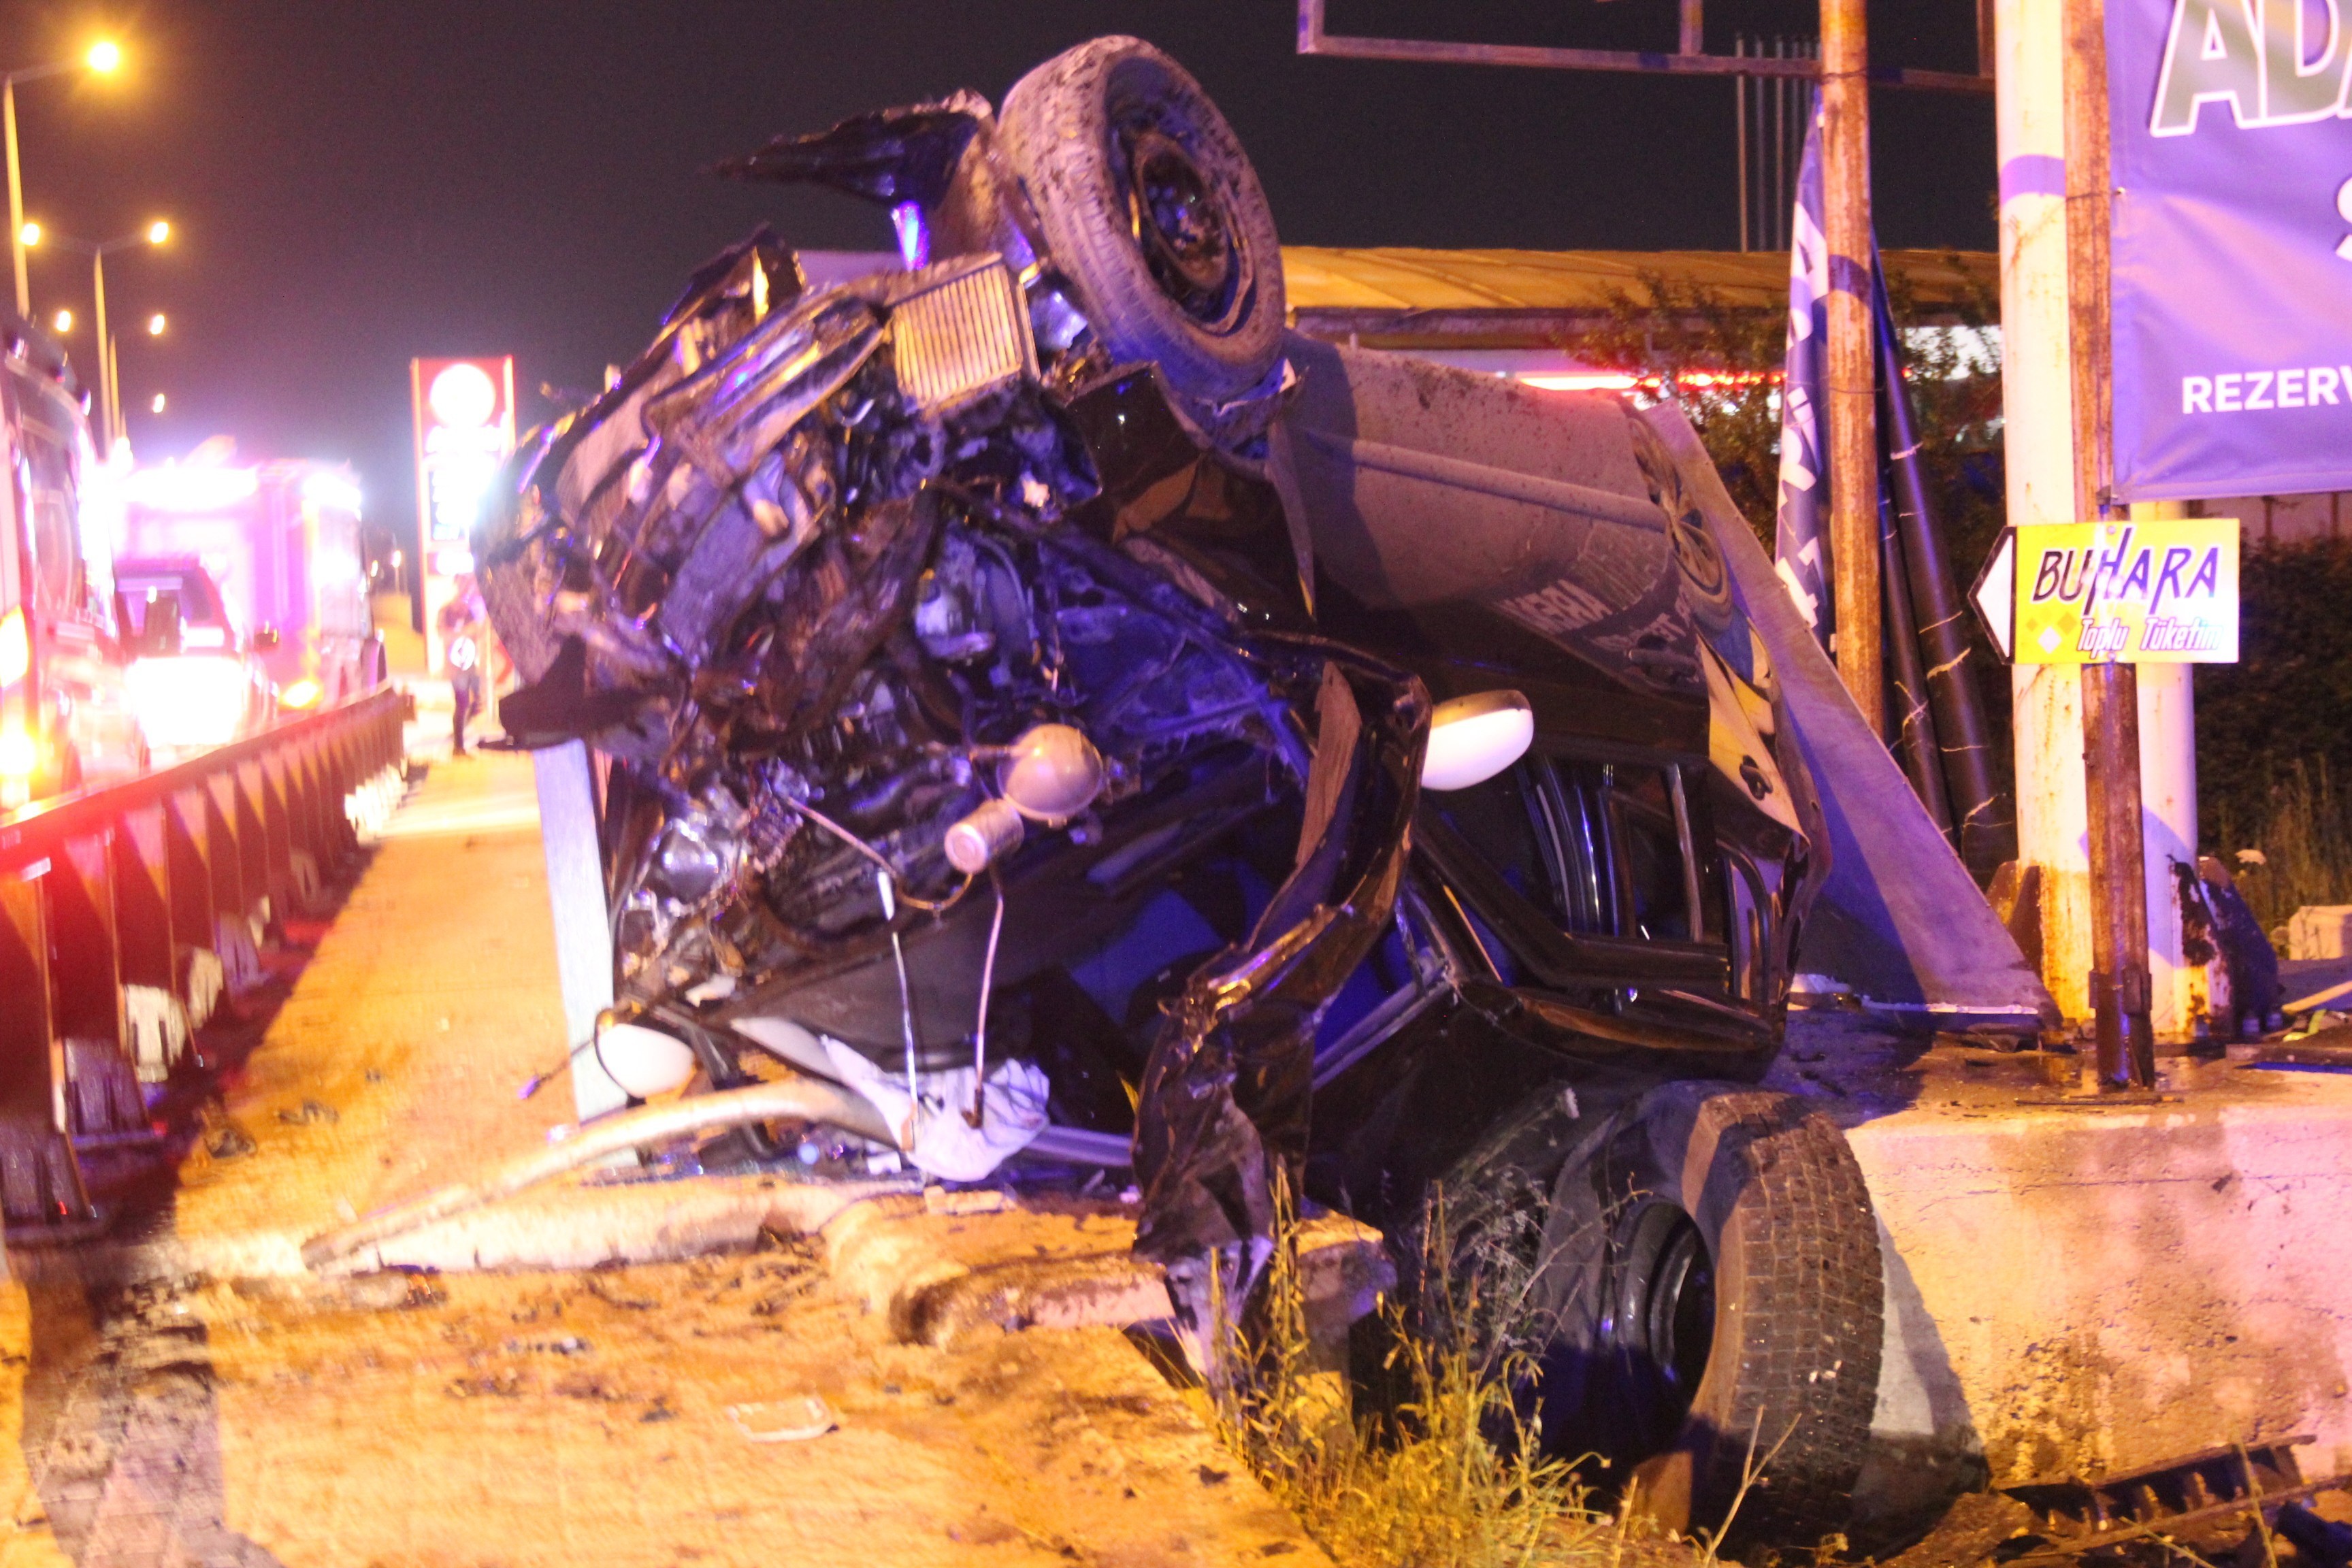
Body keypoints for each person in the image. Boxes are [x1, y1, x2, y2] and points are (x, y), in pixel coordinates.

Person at [437, 578, 490, 755]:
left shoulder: (470, 612)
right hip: (455, 666)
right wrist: (463, 632)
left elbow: (478, 631)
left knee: (477, 701)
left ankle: (460, 732)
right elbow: (444, 634)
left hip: (470, 665)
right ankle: (458, 746)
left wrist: (471, 631)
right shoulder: (446, 611)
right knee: (462, 704)